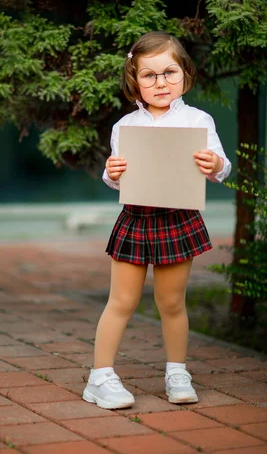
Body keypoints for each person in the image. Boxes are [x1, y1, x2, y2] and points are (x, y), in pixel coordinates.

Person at [82, 31, 231, 410]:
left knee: (172, 302)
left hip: (179, 218)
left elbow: (220, 166)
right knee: (122, 300)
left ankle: (177, 371)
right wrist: (111, 172)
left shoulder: (199, 120)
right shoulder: (125, 126)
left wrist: (214, 164)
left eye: (169, 72)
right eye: (149, 75)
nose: (161, 82)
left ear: (185, 74)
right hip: (135, 219)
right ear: (135, 80)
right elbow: (116, 177)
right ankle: (100, 377)